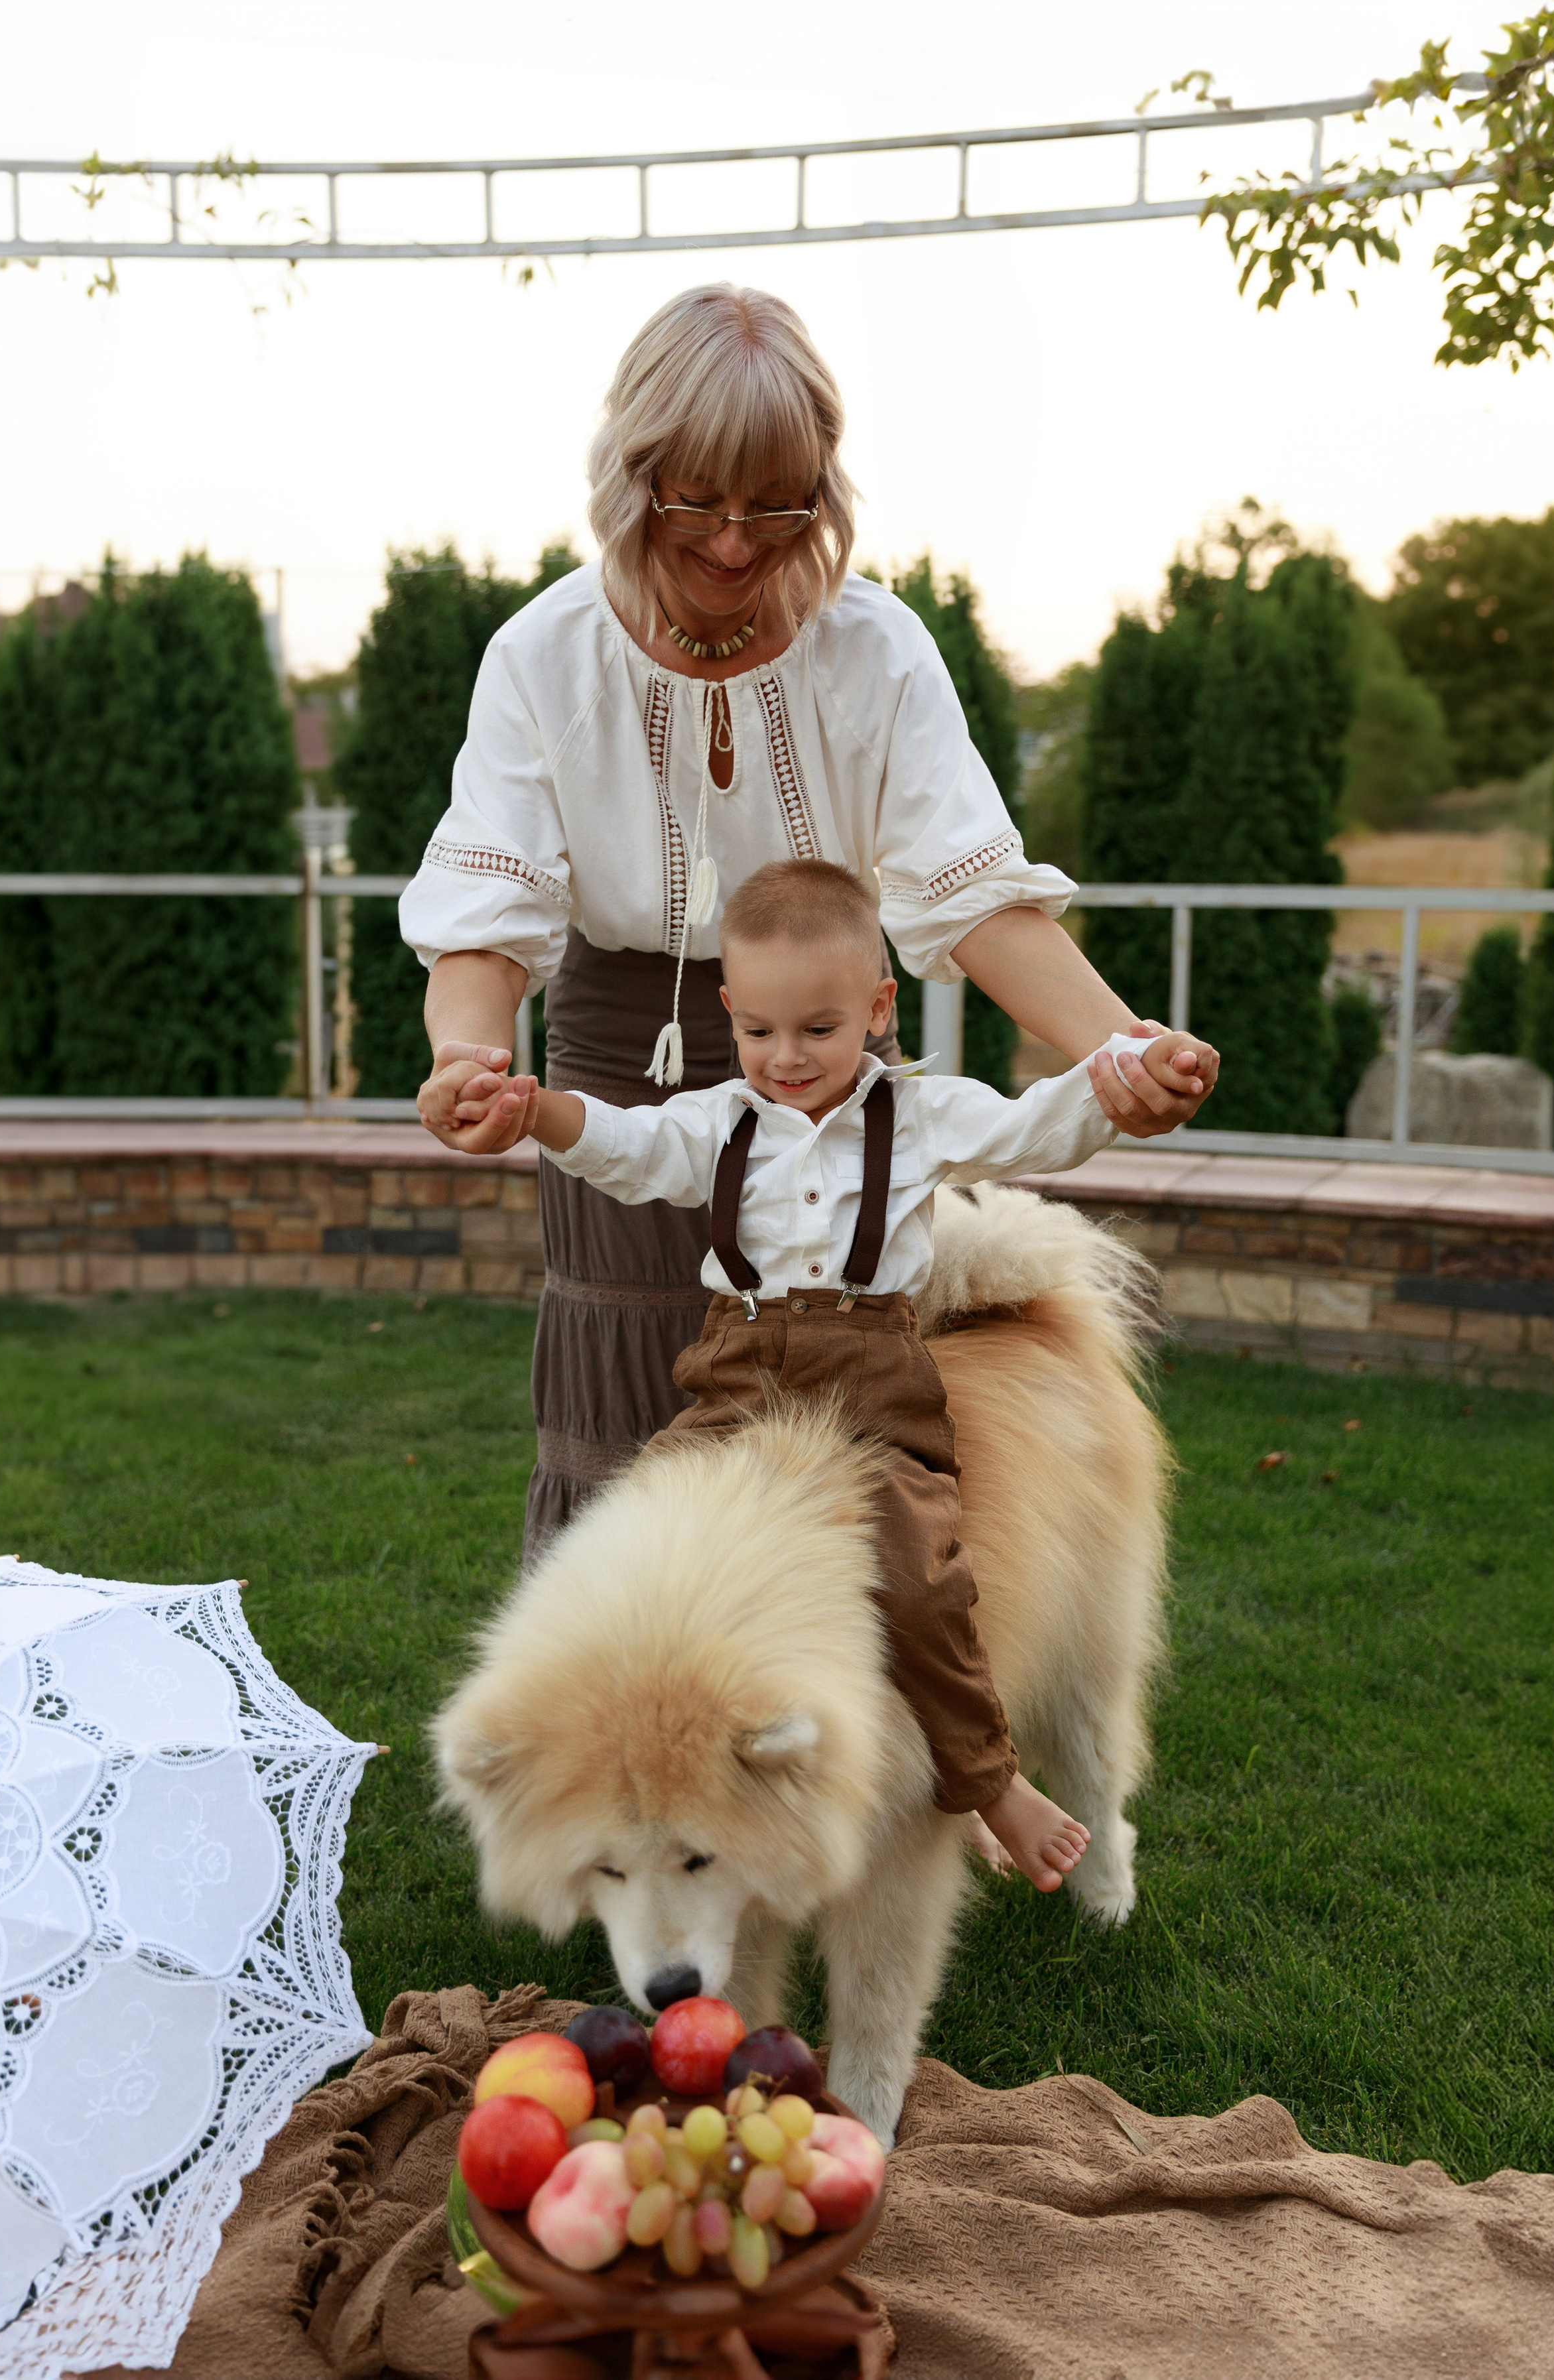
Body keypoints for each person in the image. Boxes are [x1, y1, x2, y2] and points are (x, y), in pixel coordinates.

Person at [403, 282, 1217, 1568]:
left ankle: (825, 1750)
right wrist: (467, 1054)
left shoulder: (875, 653)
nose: (734, 542)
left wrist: (1121, 1050)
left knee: (839, 1434)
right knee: (632, 1423)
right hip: (627, 1061)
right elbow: (488, 917)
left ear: (820, 492)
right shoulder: (539, 656)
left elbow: (977, 900)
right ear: (632, 475)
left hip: (830, 1064)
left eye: (774, 504)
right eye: (697, 501)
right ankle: (617, 1747)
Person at [486, 857, 1179, 1891]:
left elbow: (1038, 1126)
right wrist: (538, 1109)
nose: (787, 1056)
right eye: (759, 1031)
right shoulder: (719, 1122)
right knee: (634, 1525)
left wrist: (1124, 1073)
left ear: (878, 1005)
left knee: (920, 1572)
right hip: (735, 1377)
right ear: (729, 1013)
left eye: (819, 1028)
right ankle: (637, 1758)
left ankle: (992, 1781)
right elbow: (624, 1147)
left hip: (872, 1388)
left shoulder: (921, 1115)